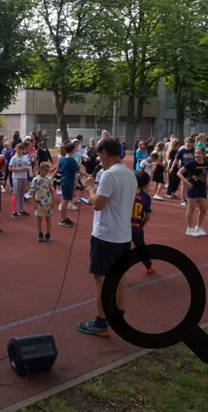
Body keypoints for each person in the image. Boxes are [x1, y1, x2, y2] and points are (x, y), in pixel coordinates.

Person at [77, 138, 137, 337]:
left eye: (99, 156)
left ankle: (101, 322)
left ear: (104, 153)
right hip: (123, 234)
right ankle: (118, 317)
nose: (99, 160)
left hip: (106, 234)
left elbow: (98, 204)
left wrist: (90, 187)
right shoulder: (129, 173)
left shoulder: (110, 175)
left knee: (101, 279)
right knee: (120, 276)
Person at [178, 147, 208, 237]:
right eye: (196, 153)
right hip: (192, 188)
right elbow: (179, 173)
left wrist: (206, 182)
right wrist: (186, 182)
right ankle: (189, 228)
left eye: (199, 153)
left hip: (202, 188)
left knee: (204, 209)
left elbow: (205, 173)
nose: (197, 155)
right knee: (191, 208)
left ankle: (198, 227)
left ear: (203, 154)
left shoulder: (206, 163)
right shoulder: (191, 163)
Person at [131, 171, 154, 274]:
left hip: (123, 226)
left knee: (120, 247)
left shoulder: (127, 192)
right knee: (140, 247)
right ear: (146, 184)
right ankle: (148, 266)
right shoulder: (146, 197)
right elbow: (147, 215)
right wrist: (142, 224)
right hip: (137, 228)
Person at [30, 161, 55, 243]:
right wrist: (34, 203)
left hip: (48, 202)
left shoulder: (49, 179)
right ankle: (40, 234)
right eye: (45, 170)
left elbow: (51, 191)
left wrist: (52, 201)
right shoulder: (35, 180)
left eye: (47, 171)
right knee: (39, 218)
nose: (46, 172)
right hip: (38, 202)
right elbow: (33, 192)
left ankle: (48, 234)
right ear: (40, 169)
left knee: (48, 218)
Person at [58, 142, 78, 227]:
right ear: (72, 150)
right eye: (75, 148)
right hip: (69, 182)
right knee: (65, 201)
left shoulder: (63, 158)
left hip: (64, 181)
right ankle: (62, 220)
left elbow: (58, 168)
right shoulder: (71, 160)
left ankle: (64, 218)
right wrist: (88, 175)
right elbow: (78, 170)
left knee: (65, 201)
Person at [9, 143, 31, 219]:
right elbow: (10, 168)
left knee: (22, 194)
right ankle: (14, 212)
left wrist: (27, 168)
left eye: (20, 149)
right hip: (16, 177)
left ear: (23, 150)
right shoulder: (14, 158)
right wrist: (19, 169)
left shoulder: (25, 157)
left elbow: (29, 166)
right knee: (15, 194)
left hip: (24, 177)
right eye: (17, 149)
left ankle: (21, 210)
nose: (18, 151)